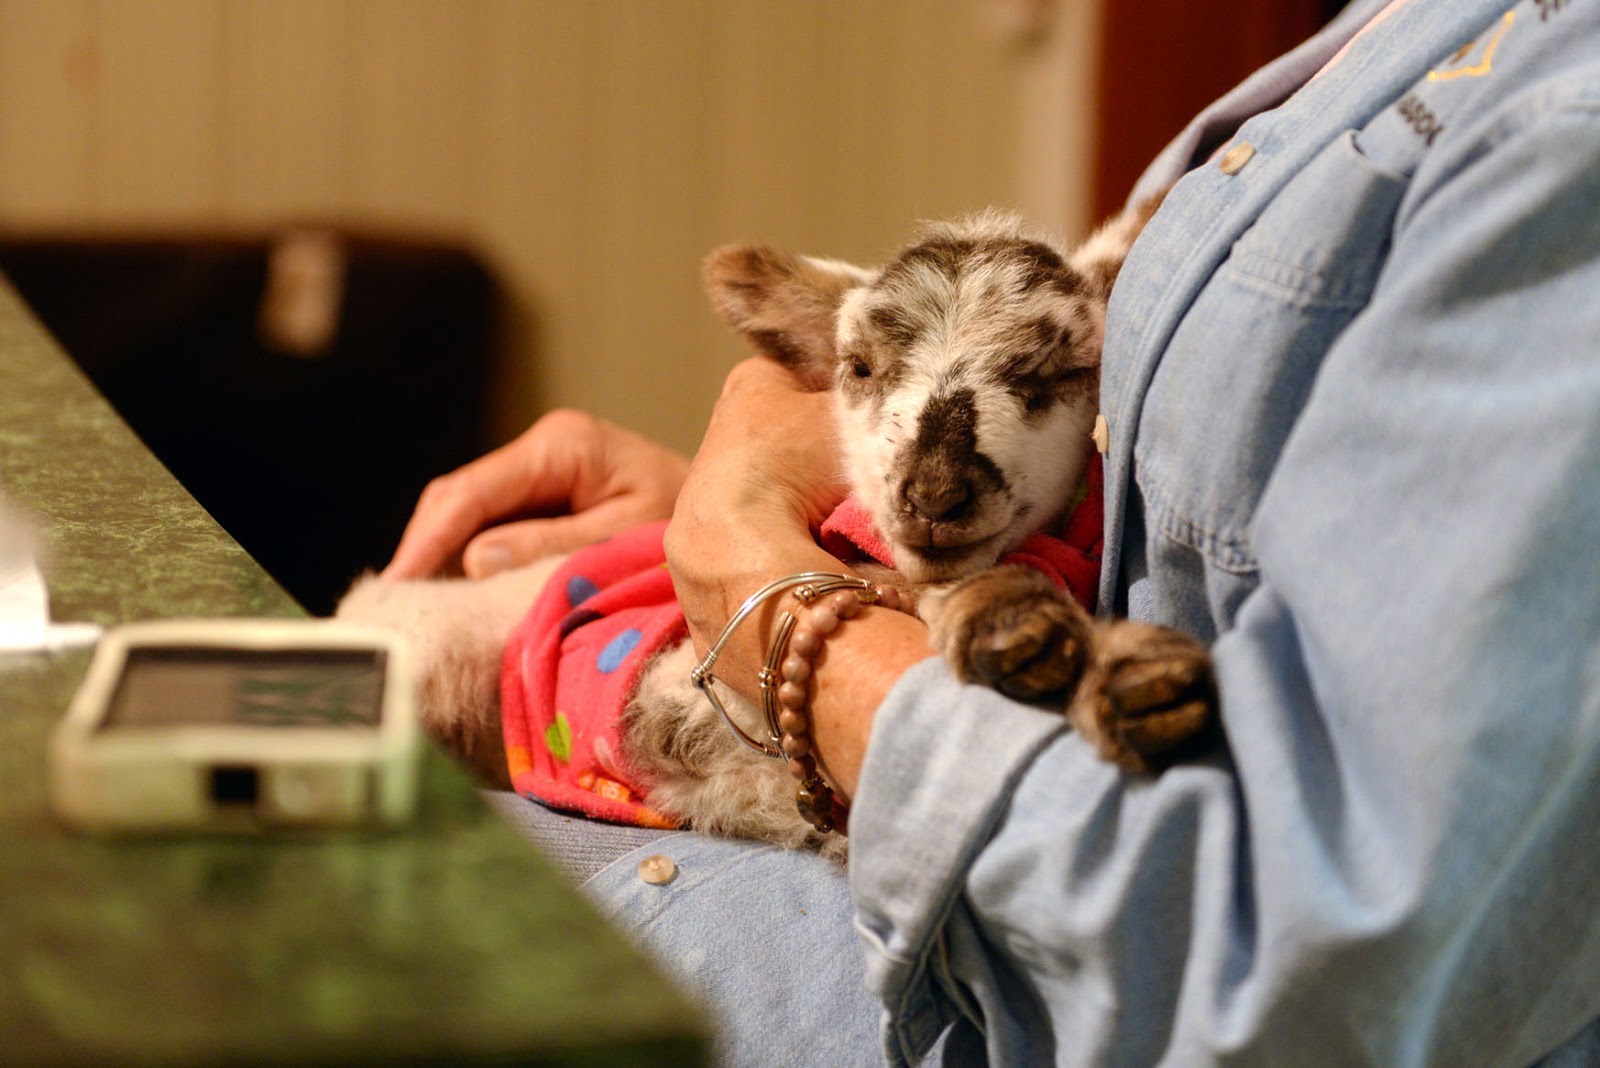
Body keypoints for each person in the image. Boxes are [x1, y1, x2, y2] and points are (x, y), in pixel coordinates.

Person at [381, 0, 1600, 1063]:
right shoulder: (1407, 30)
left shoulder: (1565, 124)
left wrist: (787, 620)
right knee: (290, 731)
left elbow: (1310, 966)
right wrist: (757, 520)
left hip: (969, 958)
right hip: (711, 772)